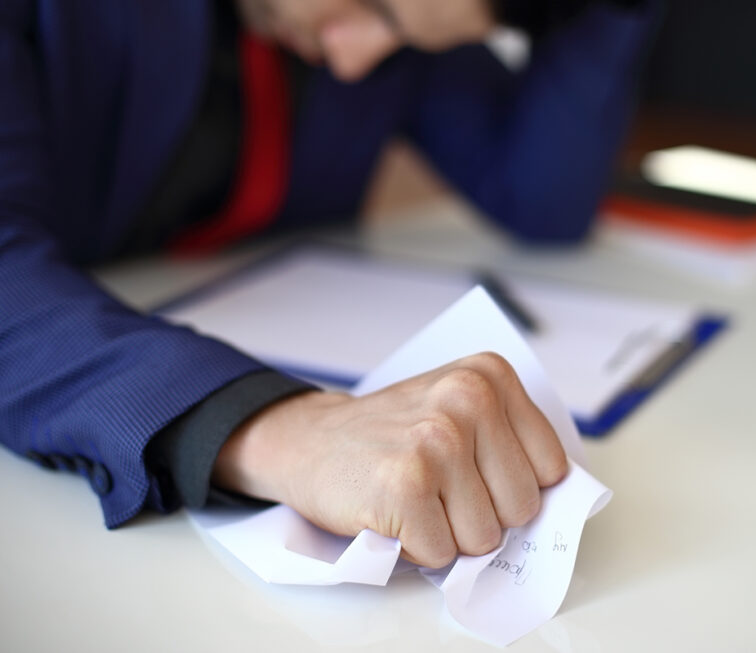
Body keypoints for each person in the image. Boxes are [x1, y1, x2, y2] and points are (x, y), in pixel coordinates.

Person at [0, 0, 660, 568]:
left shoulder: (388, 32)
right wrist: (272, 428)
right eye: (373, 4)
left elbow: (542, 198)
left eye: (399, 33)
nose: (353, 61)